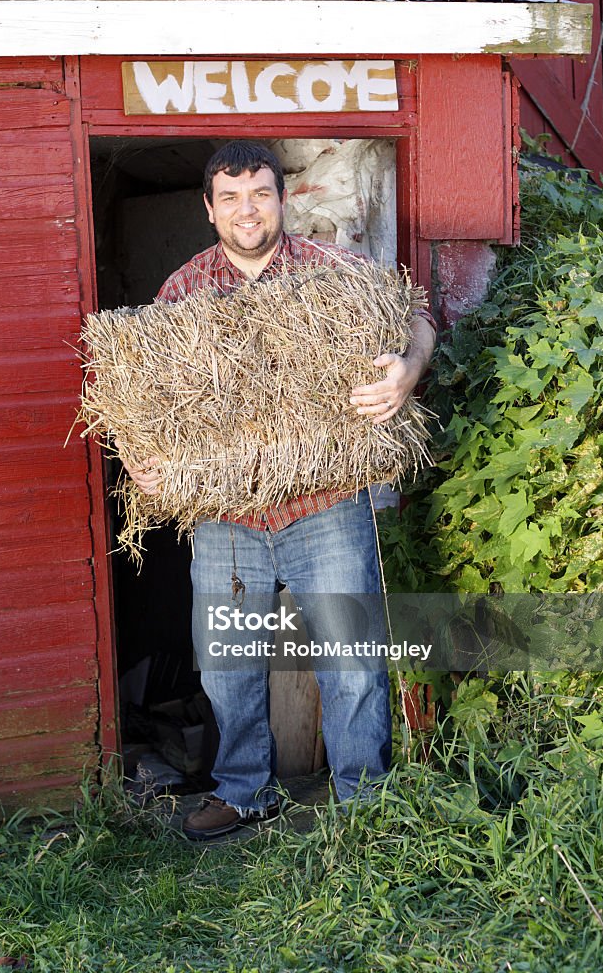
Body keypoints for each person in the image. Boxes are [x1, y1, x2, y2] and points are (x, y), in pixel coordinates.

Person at [121, 140, 436, 840]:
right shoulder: (182, 292)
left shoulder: (335, 273)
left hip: (325, 507)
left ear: (281, 199)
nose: (246, 210)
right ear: (208, 210)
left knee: (349, 661)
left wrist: (405, 370)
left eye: (259, 193)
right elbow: (145, 396)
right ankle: (243, 791)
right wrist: (145, 458)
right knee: (229, 666)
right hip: (227, 517)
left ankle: (364, 805)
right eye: (229, 198)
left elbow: (416, 312)